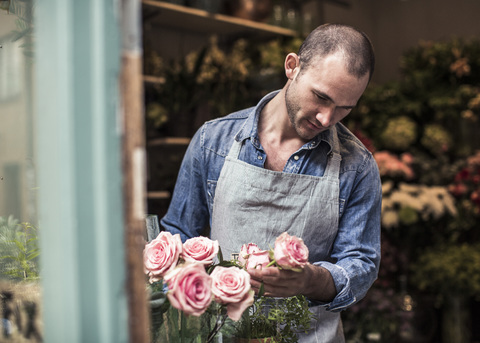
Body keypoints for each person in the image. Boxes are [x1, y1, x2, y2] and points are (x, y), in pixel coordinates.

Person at [160, 23, 382, 342]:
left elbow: (360, 264)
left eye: (343, 109)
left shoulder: (357, 167)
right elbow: (178, 236)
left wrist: (311, 280)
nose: (325, 118)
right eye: (321, 97)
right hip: (220, 334)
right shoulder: (213, 141)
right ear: (292, 66)